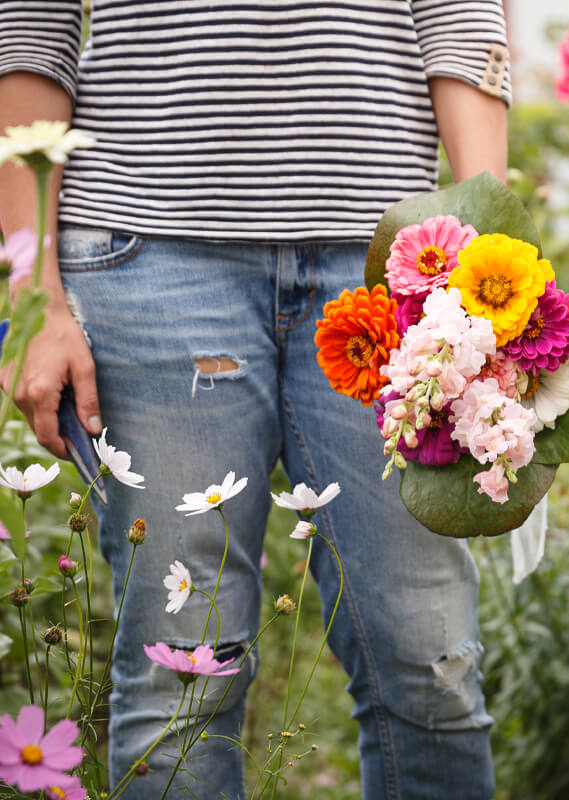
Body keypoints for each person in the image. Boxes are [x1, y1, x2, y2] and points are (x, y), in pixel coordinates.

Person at [0, 2, 511, 796]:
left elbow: (459, 10)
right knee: (180, 681)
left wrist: (487, 248)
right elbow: (32, 21)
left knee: (430, 666)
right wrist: (35, 292)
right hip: (148, 255)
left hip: (392, 261)